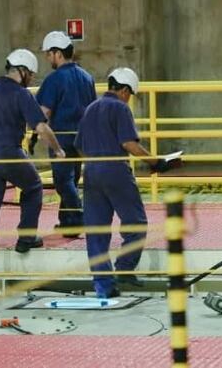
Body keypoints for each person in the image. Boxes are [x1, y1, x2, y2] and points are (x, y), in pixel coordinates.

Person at [0, 49, 66, 298]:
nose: (31, 78)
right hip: (9, 154)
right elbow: (41, 127)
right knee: (33, 186)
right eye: (31, 74)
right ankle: (26, 237)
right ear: (24, 72)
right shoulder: (21, 94)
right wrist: (58, 150)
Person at [74, 67, 171, 298]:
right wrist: (156, 162)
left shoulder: (90, 109)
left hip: (91, 173)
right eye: (130, 94)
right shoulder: (120, 108)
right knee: (135, 223)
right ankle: (125, 269)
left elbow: (78, 145)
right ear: (125, 90)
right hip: (116, 171)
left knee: (96, 231)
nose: (130, 99)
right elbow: (129, 143)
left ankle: (104, 286)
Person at [34, 31, 96, 238]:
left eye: (48, 54)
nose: (47, 58)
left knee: (62, 181)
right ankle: (68, 222)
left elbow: (43, 112)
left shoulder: (54, 79)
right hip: (83, 137)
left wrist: (35, 131)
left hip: (60, 137)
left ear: (57, 53)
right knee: (72, 179)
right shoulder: (87, 77)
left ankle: (79, 218)